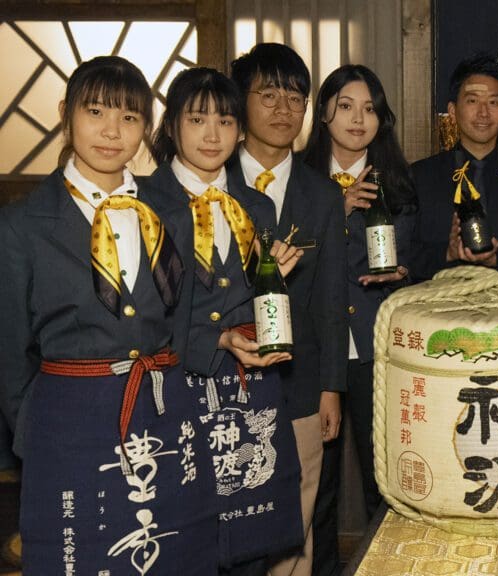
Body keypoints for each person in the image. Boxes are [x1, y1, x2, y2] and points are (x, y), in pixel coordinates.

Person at [0, 56, 217, 574]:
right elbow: (9, 350)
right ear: (65, 114)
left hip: (160, 415)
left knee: (165, 557)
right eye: (95, 111)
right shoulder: (23, 224)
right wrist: (34, 433)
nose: (112, 131)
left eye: (129, 117)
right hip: (66, 424)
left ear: (146, 127)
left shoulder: (169, 214)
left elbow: (182, 320)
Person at [148, 67, 305, 574]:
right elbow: (138, 320)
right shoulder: (142, 204)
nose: (212, 134)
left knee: (250, 538)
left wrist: (271, 283)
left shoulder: (256, 206)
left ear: (240, 130)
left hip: (246, 390)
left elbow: (258, 303)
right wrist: (214, 338)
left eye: (225, 120)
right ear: (172, 125)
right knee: (178, 540)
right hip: (173, 391)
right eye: (197, 119)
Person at [227, 42, 349, 576]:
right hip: (224, 380)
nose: (284, 109)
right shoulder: (211, 182)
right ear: (241, 101)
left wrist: (331, 388)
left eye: (296, 98)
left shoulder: (322, 195)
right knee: (227, 520)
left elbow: (331, 301)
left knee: (296, 522)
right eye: (269, 95)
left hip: (301, 385)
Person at [303, 64, 416, 575]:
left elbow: (420, 262)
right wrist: (336, 209)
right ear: (324, 112)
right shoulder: (301, 182)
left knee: (382, 480)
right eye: (345, 106)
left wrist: (404, 271)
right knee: (317, 486)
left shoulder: (398, 180)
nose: (357, 118)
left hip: (378, 350)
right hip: (315, 353)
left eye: (369, 109)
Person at [409, 53, 498, 282]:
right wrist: (448, 253)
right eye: (472, 101)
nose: (483, 113)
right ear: (452, 111)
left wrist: (497, 259)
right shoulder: (420, 177)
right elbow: (404, 256)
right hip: (439, 301)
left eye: (493, 102)